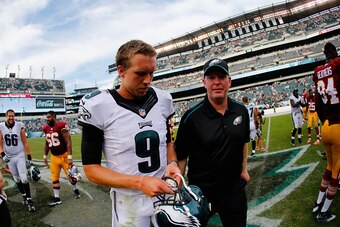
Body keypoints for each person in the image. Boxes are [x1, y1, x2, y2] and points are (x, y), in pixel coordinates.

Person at [77, 39, 181, 227]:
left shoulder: (163, 100)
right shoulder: (100, 105)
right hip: (128, 201)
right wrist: (140, 182)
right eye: (140, 73)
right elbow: (91, 170)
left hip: (163, 192)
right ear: (121, 71)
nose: (148, 80)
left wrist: (172, 162)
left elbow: (167, 142)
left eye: (151, 73)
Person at [175, 58, 250, 226]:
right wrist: (178, 190)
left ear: (229, 81)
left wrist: (243, 170)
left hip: (233, 190)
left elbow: (243, 142)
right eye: (211, 78)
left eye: (221, 77)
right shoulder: (191, 117)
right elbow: (181, 156)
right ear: (204, 82)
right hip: (201, 193)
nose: (217, 82)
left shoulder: (241, 111)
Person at [312, 42, 340, 223]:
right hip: (338, 126)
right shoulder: (337, 65)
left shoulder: (318, 71)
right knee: (337, 171)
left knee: (329, 167)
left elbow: (319, 103)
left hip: (326, 126)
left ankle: (318, 202)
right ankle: (323, 212)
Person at [0, 109, 36, 212]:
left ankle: (29, 200)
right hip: (9, 157)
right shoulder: (1, 126)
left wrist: (29, 158)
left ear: (14, 116)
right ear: (6, 116)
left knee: (24, 178)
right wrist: (3, 155)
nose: (11, 118)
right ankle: (24, 196)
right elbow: (0, 144)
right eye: (9, 116)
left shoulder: (19, 125)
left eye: (12, 116)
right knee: (16, 179)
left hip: (19, 155)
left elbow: (25, 142)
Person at [43, 110, 80, 206]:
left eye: (49, 117)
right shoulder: (45, 128)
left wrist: (70, 156)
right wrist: (45, 156)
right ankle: (57, 198)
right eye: (46, 117)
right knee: (54, 177)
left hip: (64, 156)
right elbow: (47, 143)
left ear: (54, 117)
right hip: (54, 157)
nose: (47, 119)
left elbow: (68, 141)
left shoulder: (61, 125)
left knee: (73, 177)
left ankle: (75, 189)